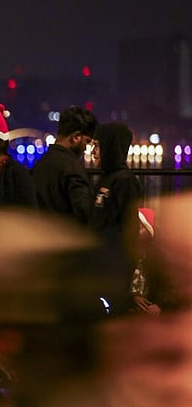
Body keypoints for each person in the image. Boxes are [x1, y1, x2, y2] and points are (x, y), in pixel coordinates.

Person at [89, 122, 143, 314]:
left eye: (97, 145)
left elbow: (129, 229)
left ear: (111, 147)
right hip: (100, 267)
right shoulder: (106, 179)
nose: (93, 151)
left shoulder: (124, 181)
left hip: (114, 270)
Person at [32, 105, 98, 224]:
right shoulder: (72, 167)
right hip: (67, 238)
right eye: (87, 141)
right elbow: (85, 213)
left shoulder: (40, 164)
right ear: (76, 137)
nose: (86, 148)